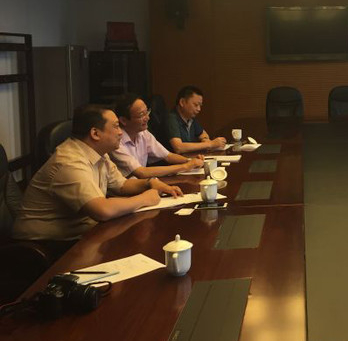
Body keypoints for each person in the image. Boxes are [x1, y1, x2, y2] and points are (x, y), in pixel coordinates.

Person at [12, 105, 183, 245]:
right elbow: (102, 210)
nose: (120, 132)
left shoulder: (100, 153)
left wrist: (150, 183)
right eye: (116, 126)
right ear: (95, 133)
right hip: (45, 246)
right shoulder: (69, 162)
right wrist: (145, 198)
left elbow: (122, 185)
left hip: (81, 234)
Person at [110, 93, 204, 178]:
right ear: (123, 120)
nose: (147, 118)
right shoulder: (116, 142)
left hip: (143, 185)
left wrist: (190, 161)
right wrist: (185, 166)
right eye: (141, 115)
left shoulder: (143, 133)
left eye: (147, 112)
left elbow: (168, 156)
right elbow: (141, 172)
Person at [167, 86, 226, 154]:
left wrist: (205, 140)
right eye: (196, 105)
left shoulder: (190, 118)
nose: (199, 109)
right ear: (182, 102)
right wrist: (210, 144)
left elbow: (203, 134)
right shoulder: (171, 119)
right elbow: (178, 147)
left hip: (190, 158)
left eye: (200, 105)